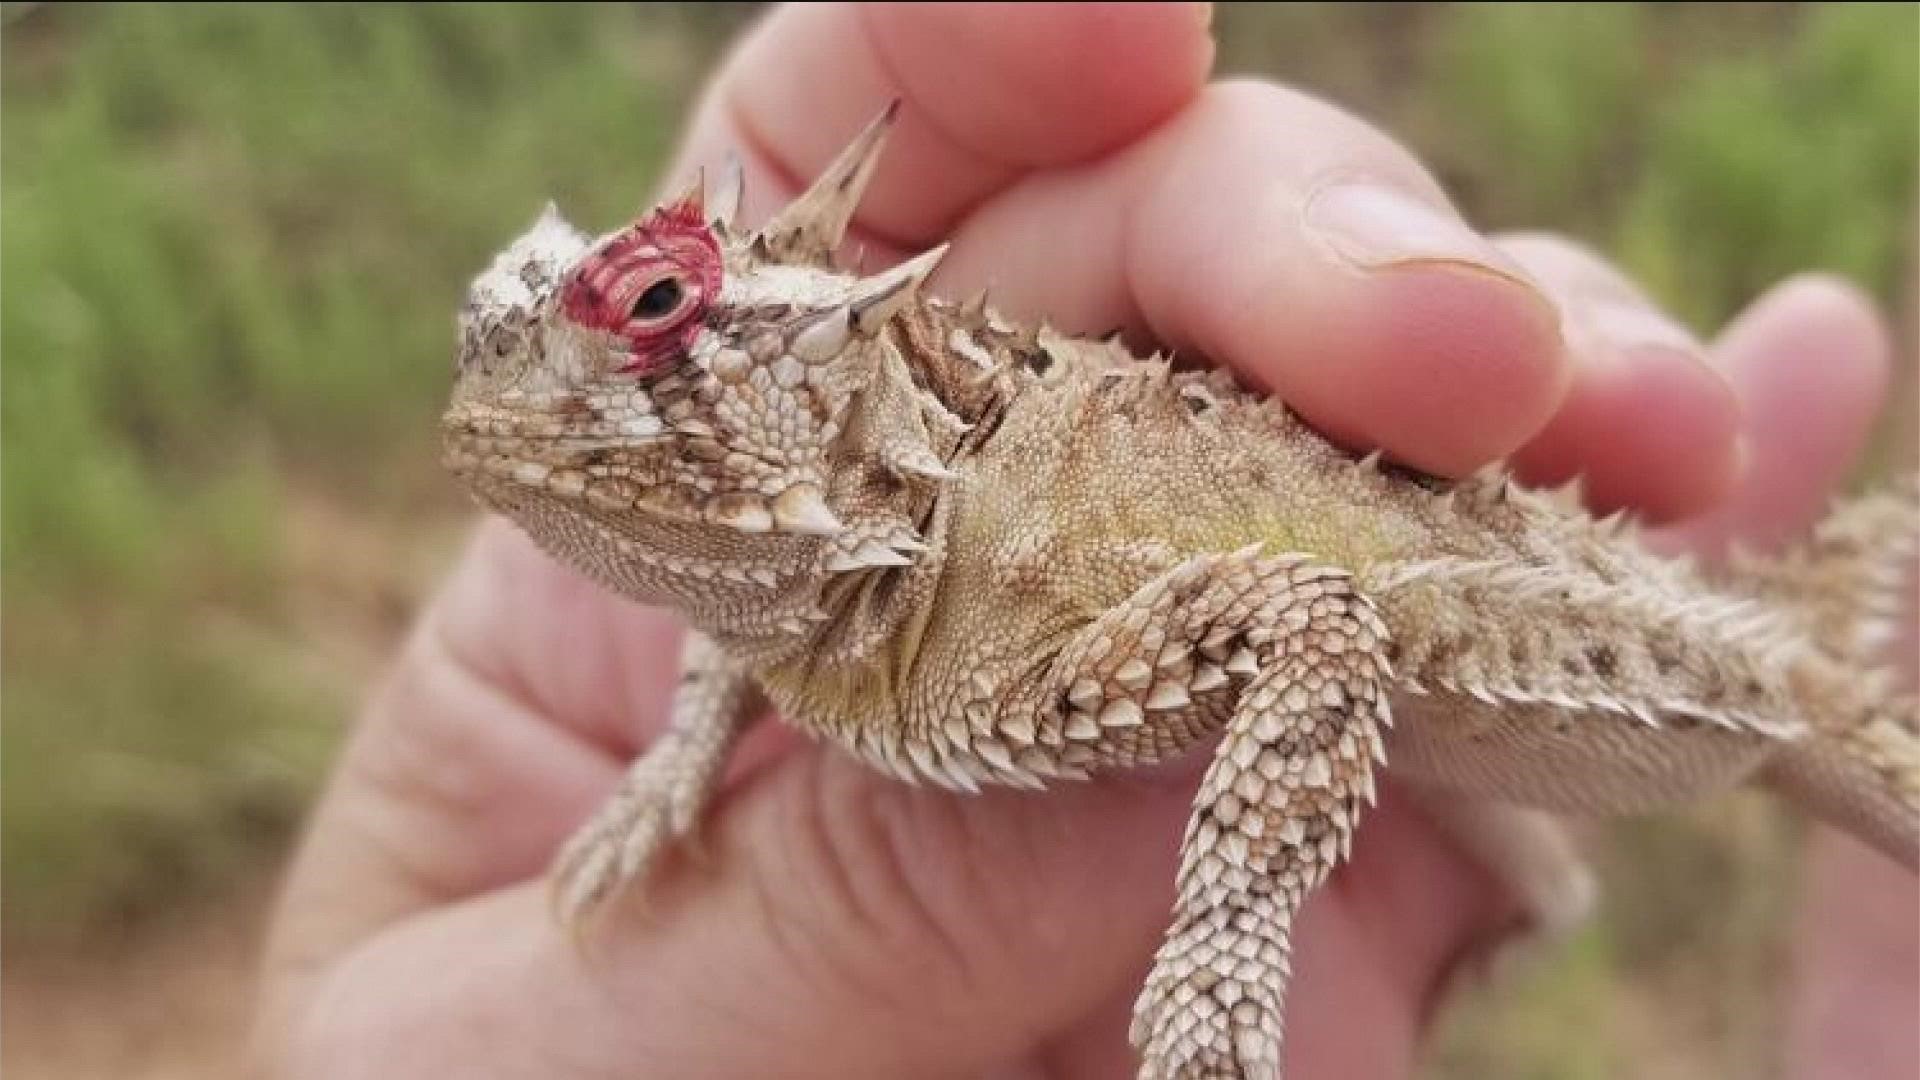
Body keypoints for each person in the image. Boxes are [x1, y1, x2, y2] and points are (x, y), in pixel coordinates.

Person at [254, 5, 1918, 1077]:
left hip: (1687, 669)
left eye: (657, 319)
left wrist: (1216, 955)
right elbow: (747, 590)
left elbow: (1314, 625)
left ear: (815, 384)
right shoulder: (808, 585)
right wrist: (681, 748)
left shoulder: (970, 578)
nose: (541, 399)